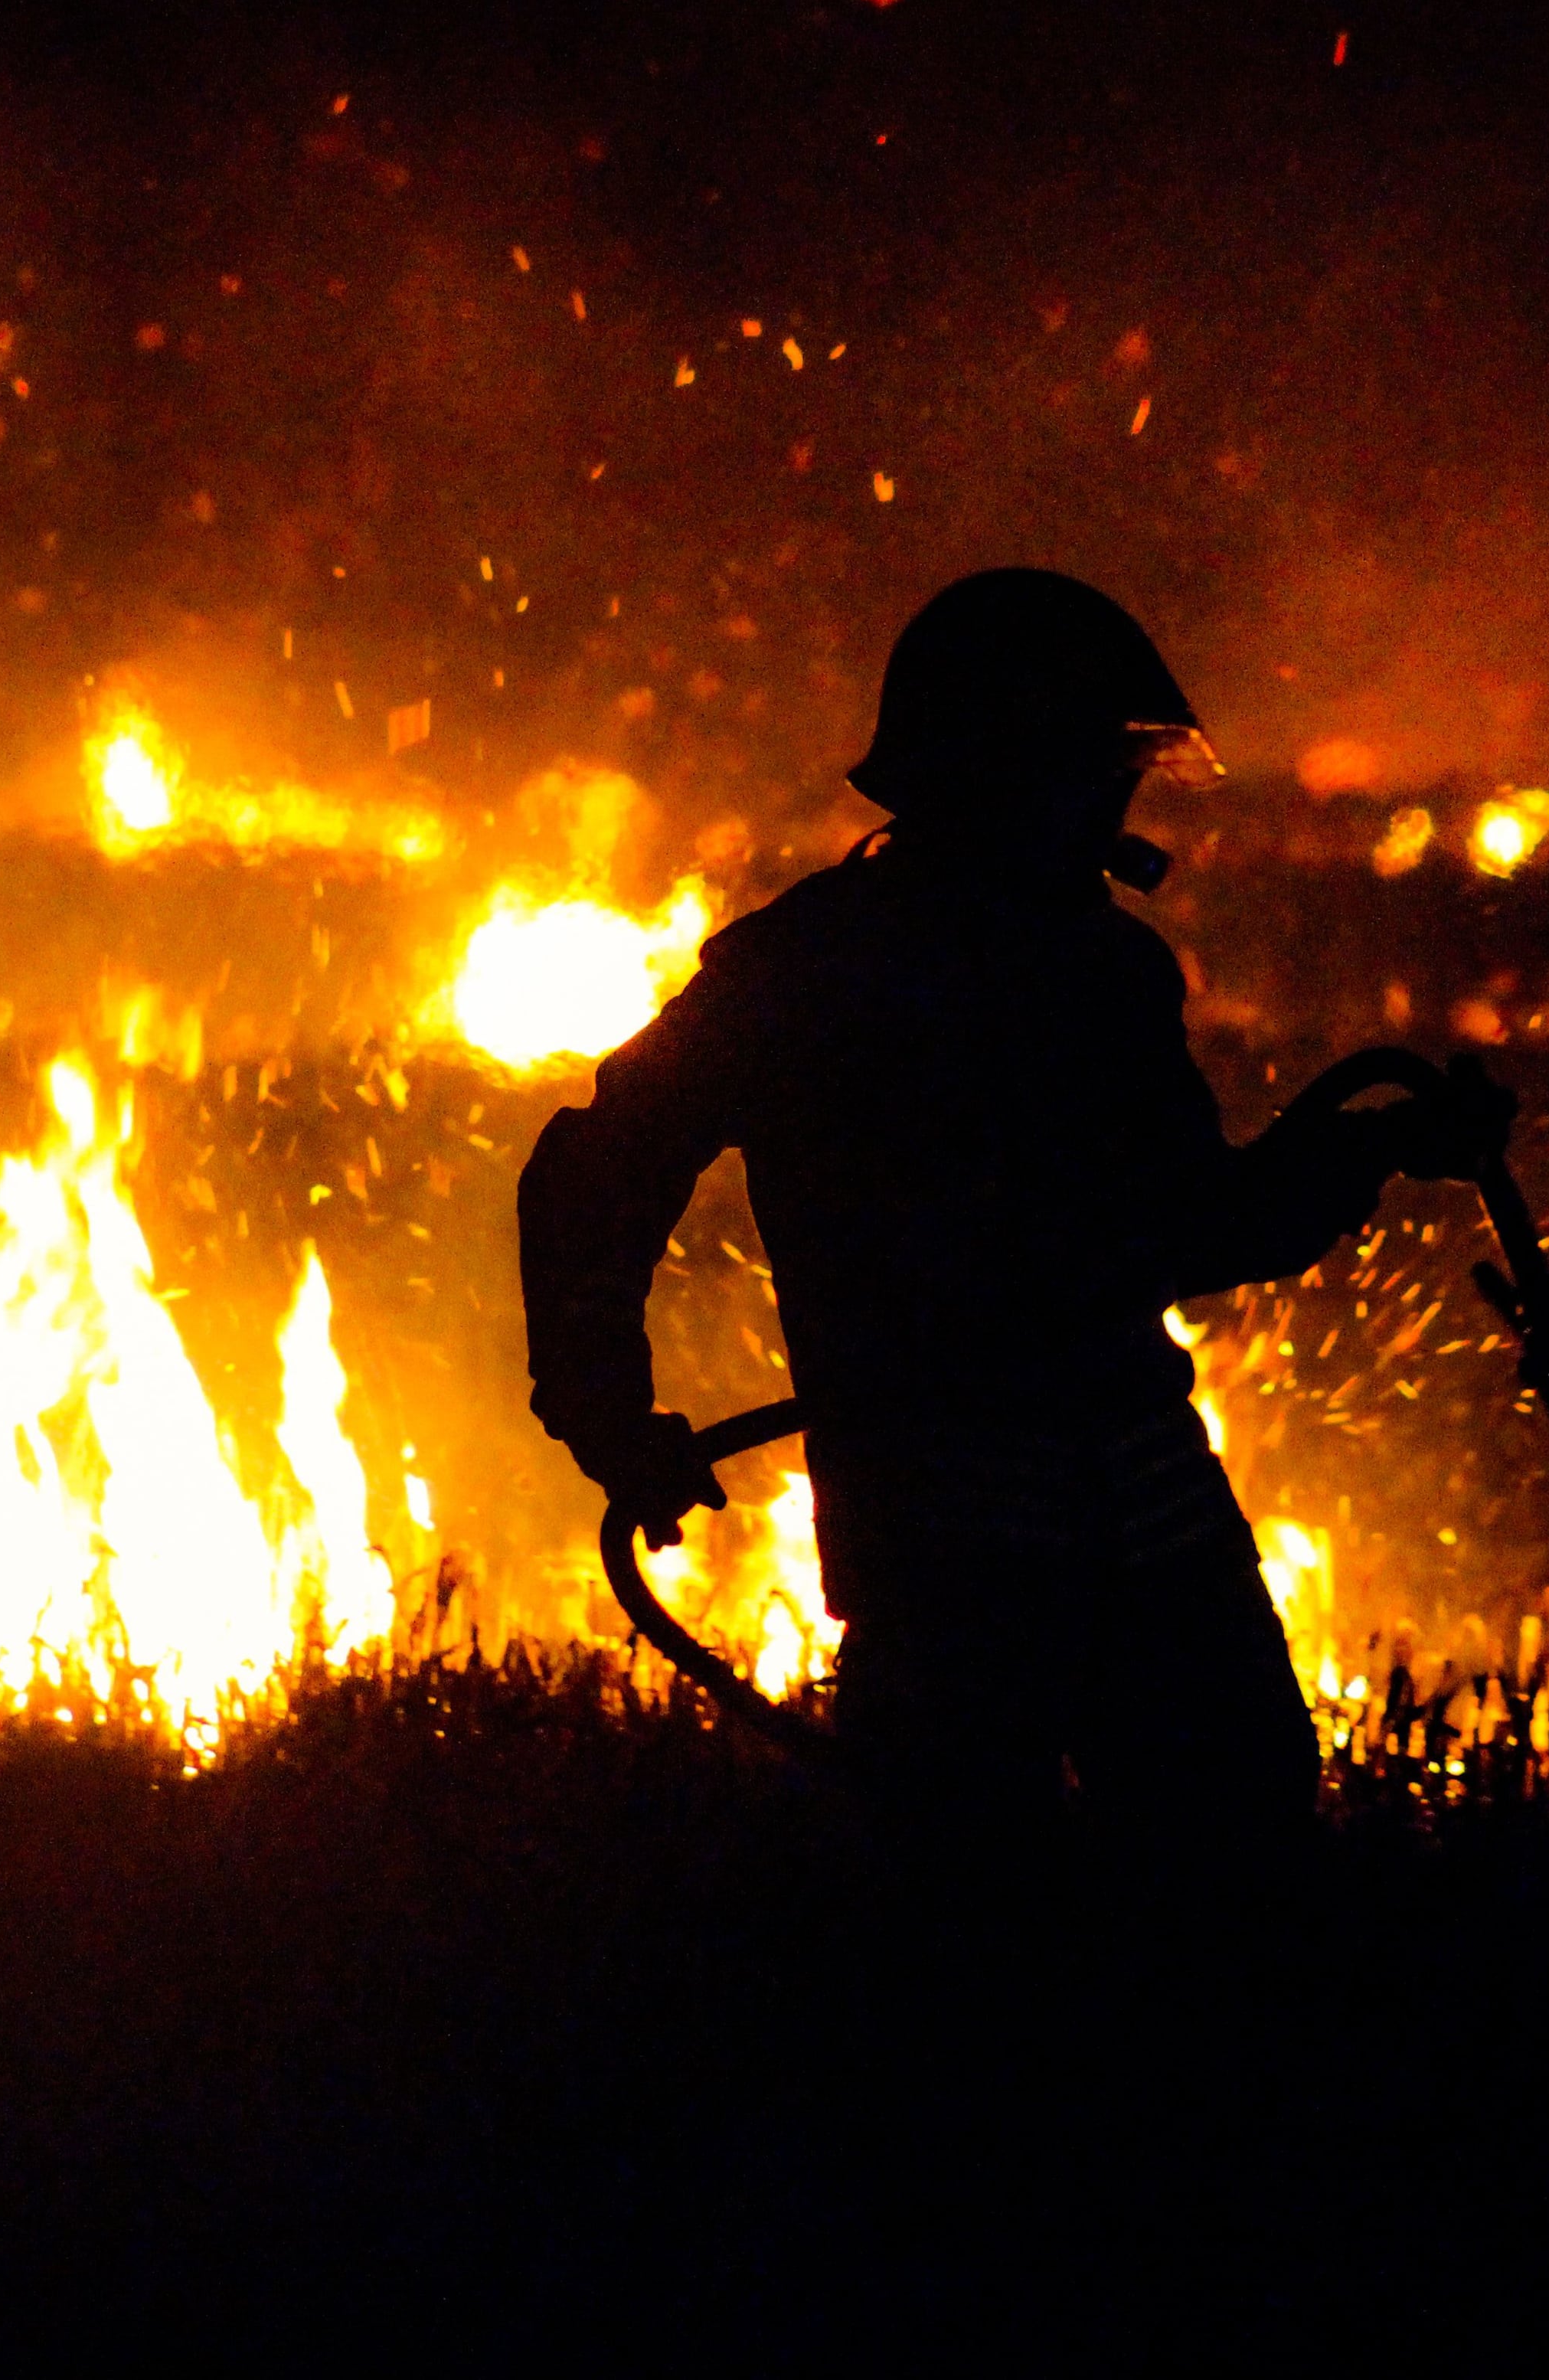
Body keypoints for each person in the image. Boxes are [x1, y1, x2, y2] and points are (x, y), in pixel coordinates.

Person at [516, 568, 1466, 1840]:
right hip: (973, 1551)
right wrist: (602, 1406)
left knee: (1155, 1888)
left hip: (1105, 1521)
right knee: (1015, 1925)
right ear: (1005, 769)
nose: (1114, 806)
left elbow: (1191, 1222)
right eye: (1093, 768)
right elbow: (1198, 1226)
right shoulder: (846, 975)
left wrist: (1376, 1149)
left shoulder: (1050, 967)